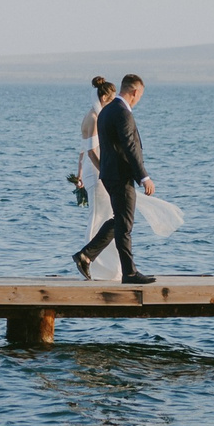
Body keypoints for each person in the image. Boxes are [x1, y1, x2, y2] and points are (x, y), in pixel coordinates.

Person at [73, 73, 157, 285]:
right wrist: (143, 176)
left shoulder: (106, 111)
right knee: (125, 225)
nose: (139, 100)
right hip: (120, 176)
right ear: (135, 92)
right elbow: (130, 147)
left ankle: (87, 255)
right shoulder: (122, 112)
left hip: (109, 174)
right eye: (140, 95)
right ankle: (129, 273)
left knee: (120, 220)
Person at [67, 76, 114, 207]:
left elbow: (82, 150)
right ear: (104, 98)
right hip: (96, 172)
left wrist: (79, 174)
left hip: (90, 169)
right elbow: (91, 152)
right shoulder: (94, 118)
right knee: (100, 213)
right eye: (112, 100)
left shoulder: (88, 115)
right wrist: (105, 174)